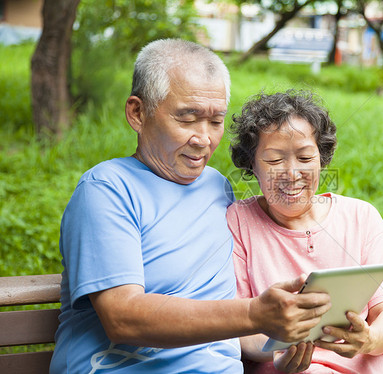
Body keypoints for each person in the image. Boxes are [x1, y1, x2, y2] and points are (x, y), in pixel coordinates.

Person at [50, 40, 331, 373]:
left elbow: (230, 329)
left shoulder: (218, 187)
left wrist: (286, 338)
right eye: (187, 119)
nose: (204, 139)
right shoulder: (107, 189)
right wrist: (254, 313)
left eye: (215, 122)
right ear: (137, 113)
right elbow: (122, 317)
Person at [227, 89, 383, 373]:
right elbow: (241, 329)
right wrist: (278, 350)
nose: (292, 173)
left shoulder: (361, 216)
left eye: (305, 159)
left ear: (322, 159)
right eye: (273, 160)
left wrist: (368, 340)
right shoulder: (238, 221)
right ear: (252, 165)